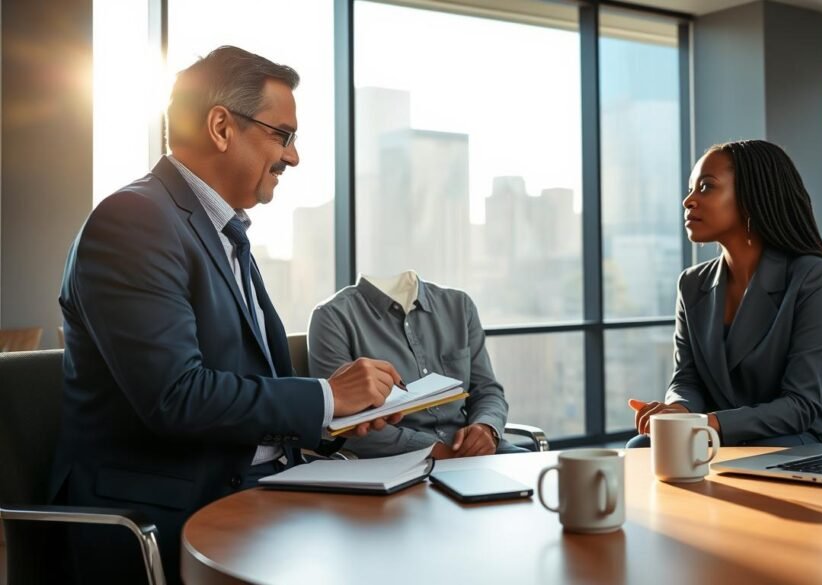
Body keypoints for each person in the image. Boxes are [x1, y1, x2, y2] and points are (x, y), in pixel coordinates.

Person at [51, 46, 401, 584]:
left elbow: (249, 389)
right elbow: (177, 396)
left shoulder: (221, 233)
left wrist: (340, 417)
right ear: (221, 126)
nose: (293, 157)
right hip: (171, 516)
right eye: (282, 135)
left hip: (261, 493)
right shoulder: (134, 222)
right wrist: (328, 395)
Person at [627, 139, 822, 448]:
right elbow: (687, 379)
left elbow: (800, 406)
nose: (688, 200)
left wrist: (707, 424)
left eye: (706, 187)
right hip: (722, 436)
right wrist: (679, 410)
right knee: (642, 446)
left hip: (803, 438)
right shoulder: (691, 284)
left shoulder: (814, 276)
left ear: (751, 198)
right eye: (691, 188)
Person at [308, 271, 528, 459]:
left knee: (549, 482)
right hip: (403, 464)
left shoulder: (460, 306)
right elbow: (343, 422)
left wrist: (487, 428)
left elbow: (487, 390)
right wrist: (436, 450)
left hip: (479, 454)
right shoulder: (332, 316)